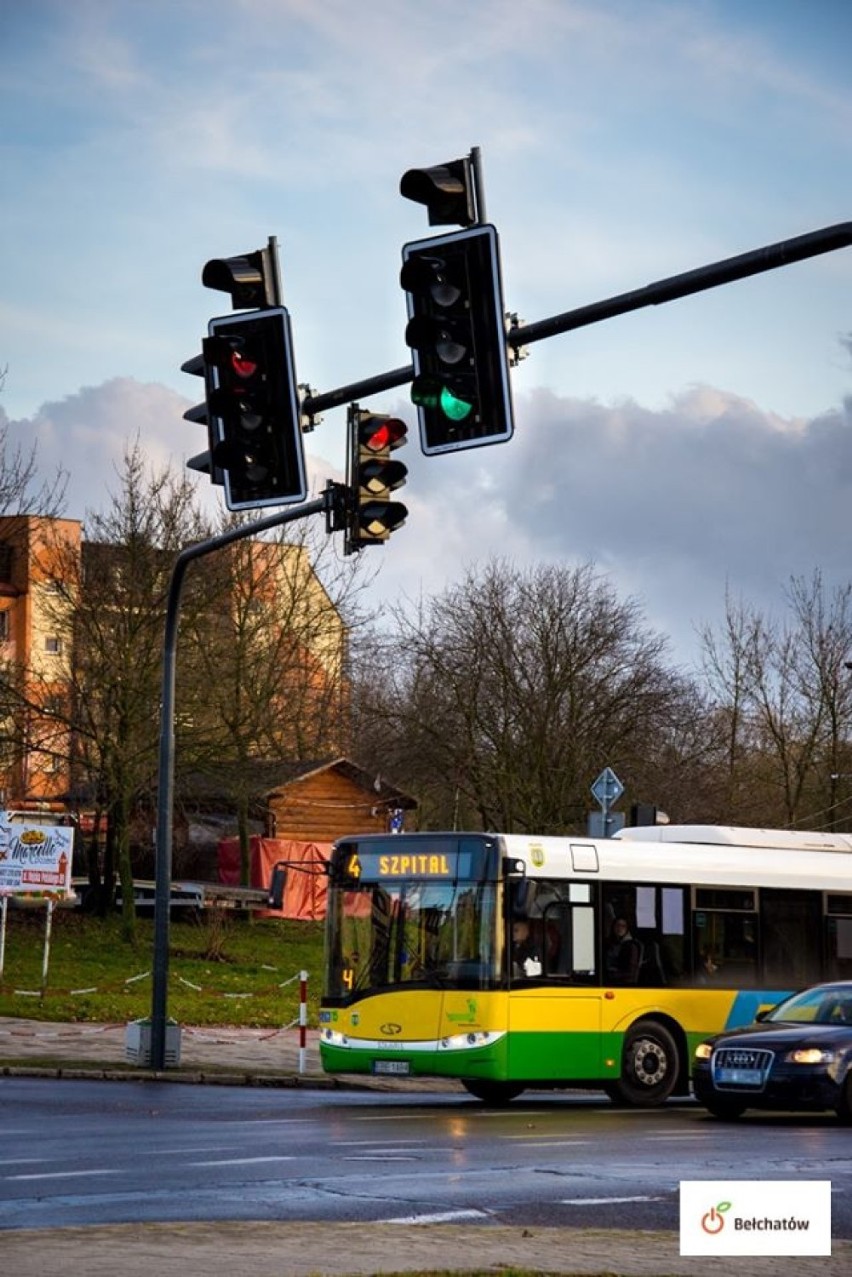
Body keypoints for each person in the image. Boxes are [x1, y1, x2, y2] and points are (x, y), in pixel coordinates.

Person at [604, 917, 641, 984]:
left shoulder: (631, 946)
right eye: (617, 925)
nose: (620, 928)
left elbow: (631, 972)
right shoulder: (608, 944)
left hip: (623, 983)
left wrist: (612, 975)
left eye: (623, 926)